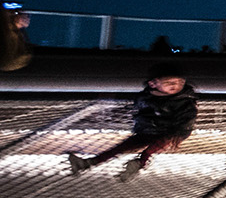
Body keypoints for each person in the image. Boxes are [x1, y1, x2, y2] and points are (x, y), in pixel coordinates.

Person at [67, 61, 198, 181]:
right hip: (148, 130)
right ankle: (88, 163)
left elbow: (187, 120)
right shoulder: (146, 97)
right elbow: (140, 111)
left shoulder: (184, 100)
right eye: (169, 82)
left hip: (172, 132)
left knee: (158, 144)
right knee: (122, 147)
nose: (175, 86)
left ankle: (140, 162)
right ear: (153, 83)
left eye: (180, 83)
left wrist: (177, 133)